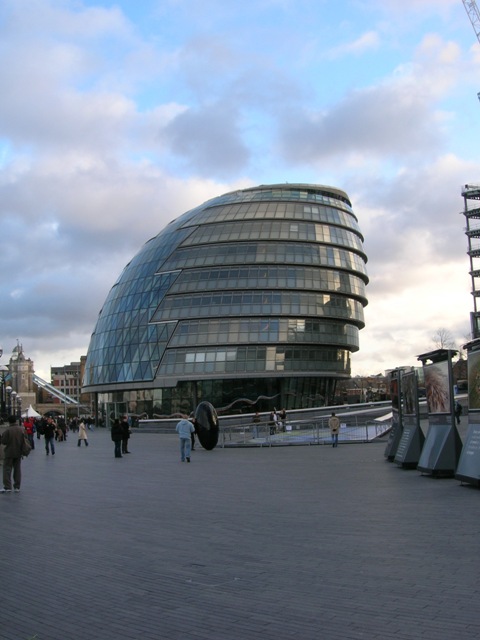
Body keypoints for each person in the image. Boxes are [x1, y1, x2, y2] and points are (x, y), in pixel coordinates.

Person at [1, 415, 26, 493]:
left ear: (9, 421)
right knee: (17, 469)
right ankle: (17, 487)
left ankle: (7, 486)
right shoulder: (21, 429)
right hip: (18, 452)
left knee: (7, 469)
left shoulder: (8, 430)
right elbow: (24, 440)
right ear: (16, 421)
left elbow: (4, 441)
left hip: (9, 452)